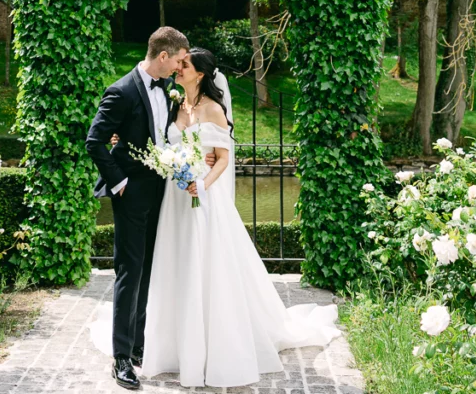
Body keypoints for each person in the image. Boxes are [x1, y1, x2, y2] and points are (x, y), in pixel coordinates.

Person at [140, 47, 340, 387]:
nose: (178, 68)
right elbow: (164, 144)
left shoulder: (214, 109)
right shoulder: (176, 104)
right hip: (175, 200)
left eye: (184, 65)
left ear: (199, 74)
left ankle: (211, 342)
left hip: (203, 197)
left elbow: (221, 159)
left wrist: (201, 184)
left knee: (206, 265)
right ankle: (173, 343)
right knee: (176, 262)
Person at [85, 26, 191, 391]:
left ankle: (138, 344)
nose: (180, 68)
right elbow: (94, 141)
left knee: (147, 267)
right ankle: (120, 358)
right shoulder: (122, 90)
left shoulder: (166, 91)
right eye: (178, 61)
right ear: (163, 56)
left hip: (159, 191)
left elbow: (157, 136)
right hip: (130, 193)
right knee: (129, 271)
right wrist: (120, 183)